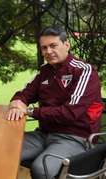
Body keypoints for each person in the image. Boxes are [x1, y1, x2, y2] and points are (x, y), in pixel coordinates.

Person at [7, 26, 103, 179]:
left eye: (53, 46)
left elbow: (70, 113)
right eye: (44, 48)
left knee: (42, 168)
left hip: (74, 137)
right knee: (3, 150)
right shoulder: (45, 70)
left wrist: (31, 111)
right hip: (43, 134)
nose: (48, 51)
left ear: (66, 45)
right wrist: (17, 102)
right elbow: (24, 93)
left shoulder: (84, 71)